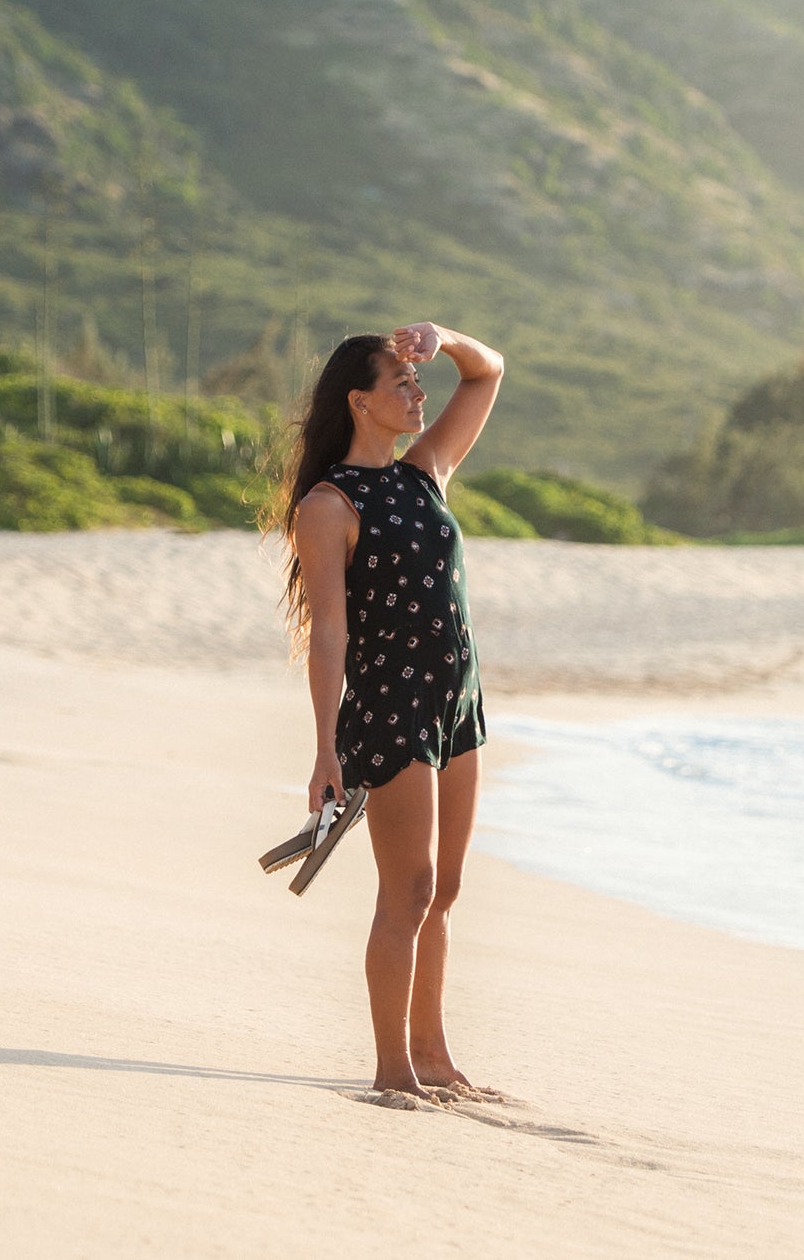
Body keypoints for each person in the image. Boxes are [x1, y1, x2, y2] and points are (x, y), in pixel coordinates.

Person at [276, 321, 505, 1103]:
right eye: (401, 382)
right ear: (360, 402)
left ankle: (434, 1055)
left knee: (443, 890)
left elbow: (487, 373)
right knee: (406, 889)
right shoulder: (329, 504)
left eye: (417, 380)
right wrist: (323, 750)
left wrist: (442, 338)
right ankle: (392, 1068)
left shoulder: (424, 473)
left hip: (457, 700)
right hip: (392, 706)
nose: (418, 392)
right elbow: (329, 633)